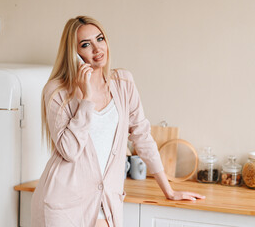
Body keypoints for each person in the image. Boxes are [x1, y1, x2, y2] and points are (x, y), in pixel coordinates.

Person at [31, 15, 205, 227]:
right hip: (65, 203)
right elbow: (69, 150)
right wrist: (85, 100)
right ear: (74, 53)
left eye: (100, 39)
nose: (97, 49)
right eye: (86, 44)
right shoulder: (57, 91)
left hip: (107, 199)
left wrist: (169, 190)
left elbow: (142, 136)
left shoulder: (123, 82)